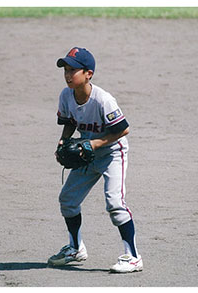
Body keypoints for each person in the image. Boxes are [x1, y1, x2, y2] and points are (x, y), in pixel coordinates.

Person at [48, 47, 143, 273]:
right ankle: (75, 248)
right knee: (68, 200)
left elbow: (123, 130)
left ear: (88, 73)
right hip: (87, 152)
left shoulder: (103, 100)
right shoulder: (65, 95)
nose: (68, 75)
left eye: (74, 70)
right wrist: (63, 142)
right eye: (66, 70)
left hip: (112, 152)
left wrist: (94, 144)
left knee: (115, 203)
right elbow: (69, 121)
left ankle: (133, 257)